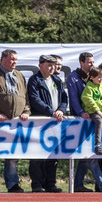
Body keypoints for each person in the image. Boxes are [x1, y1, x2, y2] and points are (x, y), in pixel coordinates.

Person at [0, 49, 30, 193]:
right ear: (3, 59)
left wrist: (26, 111)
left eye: (16, 59)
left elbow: (25, 97)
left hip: (15, 124)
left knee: (13, 155)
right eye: (12, 59)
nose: (15, 62)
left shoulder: (19, 76)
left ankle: (13, 184)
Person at [66, 52, 102, 192]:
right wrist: (81, 113)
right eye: (89, 62)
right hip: (81, 119)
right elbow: (73, 98)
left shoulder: (95, 77)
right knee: (87, 153)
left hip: (94, 117)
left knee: (85, 153)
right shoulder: (73, 78)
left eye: (93, 62)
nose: (92, 64)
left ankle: (78, 184)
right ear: (81, 63)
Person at [27, 55, 68, 193]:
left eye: (53, 65)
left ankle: (50, 183)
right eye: (49, 65)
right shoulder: (34, 80)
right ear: (41, 65)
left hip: (55, 123)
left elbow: (64, 98)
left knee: (53, 154)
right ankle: (37, 184)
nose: (52, 67)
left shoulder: (57, 80)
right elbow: (35, 99)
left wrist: (61, 110)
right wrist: (51, 112)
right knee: (37, 155)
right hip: (39, 122)